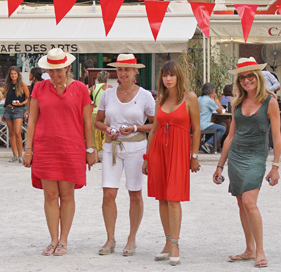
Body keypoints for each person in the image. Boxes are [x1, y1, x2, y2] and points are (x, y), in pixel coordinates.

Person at [23, 48, 96, 256]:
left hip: (71, 148)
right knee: (50, 195)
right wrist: (28, 149)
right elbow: (33, 121)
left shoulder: (81, 89)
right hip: (45, 148)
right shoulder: (39, 88)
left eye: (59, 70)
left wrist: (90, 148)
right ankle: (53, 239)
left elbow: (87, 123)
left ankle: (63, 240)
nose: (55, 75)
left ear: (67, 68)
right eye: (51, 70)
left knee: (67, 194)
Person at [213, 57, 281, 268]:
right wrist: (219, 165)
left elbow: (277, 137)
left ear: (258, 77)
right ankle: (249, 249)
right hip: (236, 156)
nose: (246, 80)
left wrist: (275, 166)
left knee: (250, 203)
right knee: (241, 203)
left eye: (250, 76)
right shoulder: (237, 103)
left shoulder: (270, 101)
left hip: (255, 157)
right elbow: (230, 136)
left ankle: (260, 251)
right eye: (242, 77)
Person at [94, 54, 154, 256]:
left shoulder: (145, 95)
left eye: (127, 69)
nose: (123, 73)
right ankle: (110, 239)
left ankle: (131, 238)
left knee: (134, 193)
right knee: (108, 194)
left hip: (136, 148)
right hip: (112, 147)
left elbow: (154, 124)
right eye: (120, 69)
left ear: (135, 71)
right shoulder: (107, 94)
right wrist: (108, 128)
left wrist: (136, 126)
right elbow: (98, 121)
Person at [142, 60, 201, 266]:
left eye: (171, 75)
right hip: (159, 150)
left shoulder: (190, 98)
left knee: (174, 198)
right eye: (165, 75)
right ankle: (167, 242)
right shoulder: (159, 99)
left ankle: (175, 243)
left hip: (178, 152)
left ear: (178, 76)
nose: (168, 79)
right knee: (163, 199)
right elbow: (154, 129)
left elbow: (197, 129)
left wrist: (194, 156)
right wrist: (147, 157)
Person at [3, 66, 30, 163]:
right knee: (11, 133)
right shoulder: (7, 85)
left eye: (15, 74)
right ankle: (14, 155)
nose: (13, 75)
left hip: (18, 109)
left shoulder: (23, 85)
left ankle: (20, 155)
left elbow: (28, 98)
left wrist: (22, 104)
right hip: (8, 109)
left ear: (18, 75)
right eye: (11, 74)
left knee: (18, 132)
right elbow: (5, 98)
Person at [197, 83, 226, 154]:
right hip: (204, 125)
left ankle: (206, 145)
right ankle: (207, 144)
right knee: (223, 128)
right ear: (211, 92)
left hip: (197, 124)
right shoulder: (209, 100)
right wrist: (215, 100)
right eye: (214, 91)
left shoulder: (199, 98)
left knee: (213, 126)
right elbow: (220, 111)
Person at [90, 70, 112, 155]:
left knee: (94, 137)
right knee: (106, 134)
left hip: (94, 113)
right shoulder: (109, 87)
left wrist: (92, 103)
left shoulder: (93, 87)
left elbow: (85, 93)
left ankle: (95, 156)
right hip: (105, 115)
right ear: (107, 78)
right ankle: (105, 154)